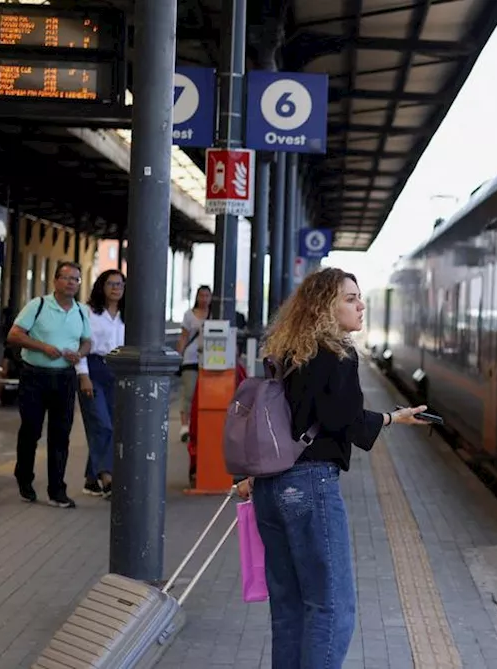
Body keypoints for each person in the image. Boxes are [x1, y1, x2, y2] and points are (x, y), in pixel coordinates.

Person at [236, 267, 429, 669]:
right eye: (350, 298)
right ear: (326, 306)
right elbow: (346, 420)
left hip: (270, 489)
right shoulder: (337, 355)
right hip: (309, 485)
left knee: (289, 608)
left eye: (359, 298)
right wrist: (395, 419)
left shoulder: (288, 354)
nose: (360, 305)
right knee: (331, 608)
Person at [6, 261, 92, 508]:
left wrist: (80, 354)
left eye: (75, 279)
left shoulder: (80, 311)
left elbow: (87, 341)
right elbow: (14, 335)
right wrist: (42, 346)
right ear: (55, 281)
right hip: (34, 375)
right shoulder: (38, 305)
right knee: (31, 430)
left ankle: (57, 490)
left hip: (64, 377)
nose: (71, 283)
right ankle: (24, 478)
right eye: (66, 278)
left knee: (61, 434)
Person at [77, 270, 125, 498]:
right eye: (111, 283)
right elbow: (81, 345)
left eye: (120, 284)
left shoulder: (128, 315)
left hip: (119, 372)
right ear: (101, 286)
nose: (116, 288)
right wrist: (83, 374)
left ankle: (90, 479)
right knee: (101, 424)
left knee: (112, 426)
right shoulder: (89, 313)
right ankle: (107, 477)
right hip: (94, 369)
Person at [176, 285, 212, 446]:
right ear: (197, 297)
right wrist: (179, 355)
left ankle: (200, 425)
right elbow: (183, 337)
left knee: (206, 394)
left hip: (210, 360)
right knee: (188, 393)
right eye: (201, 295)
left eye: (207, 296)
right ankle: (185, 426)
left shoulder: (214, 315)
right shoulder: (189, 315)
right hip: (190, 358)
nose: (204, 299)